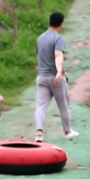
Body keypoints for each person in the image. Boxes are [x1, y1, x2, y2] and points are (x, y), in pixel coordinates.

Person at [35, 12, 79, 142]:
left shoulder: (40, 38)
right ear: (61, 24)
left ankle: (39, 133)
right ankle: (67, 131)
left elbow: (39, 57)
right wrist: (59, 72)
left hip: (41, 77)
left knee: (40, 106)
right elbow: (58, 55)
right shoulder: (58, 38)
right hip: (55, 78)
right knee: (63, 105)